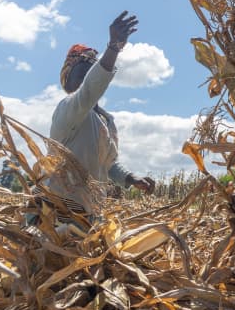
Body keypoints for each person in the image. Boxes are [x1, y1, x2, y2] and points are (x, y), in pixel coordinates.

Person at [41, 11, 155, 222]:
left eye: (89, 70)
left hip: (91, 213)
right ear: (68, 80)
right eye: (80, 72)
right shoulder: (68, 109)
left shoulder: (106, 120)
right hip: (60, 212)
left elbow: (109, 164)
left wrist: (131, 178)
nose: (85, 77)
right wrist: (113, 48)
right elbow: (89, 89)